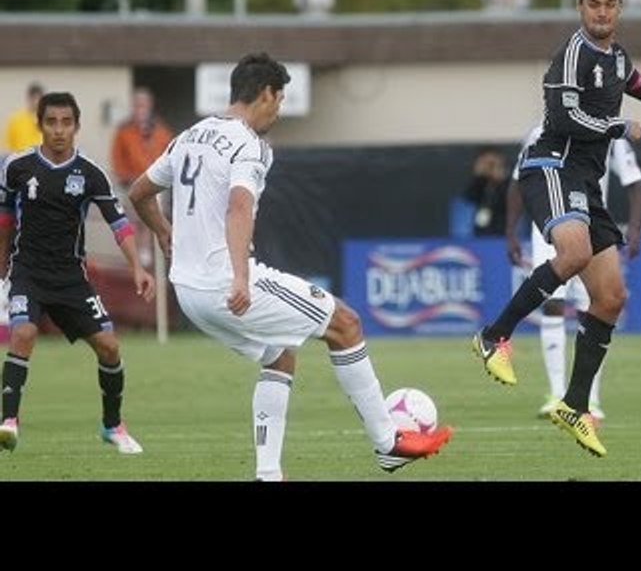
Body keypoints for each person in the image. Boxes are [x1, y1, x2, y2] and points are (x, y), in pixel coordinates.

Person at [126, 52, 452, 480]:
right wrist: (241, 276)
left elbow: (138, 192)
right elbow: (239, 208)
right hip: (226, 283)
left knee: (280, 356)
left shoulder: (189, 135)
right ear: (265, 93)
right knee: (346, 324)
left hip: (188, 292)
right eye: (279, 101)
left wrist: (166, 233)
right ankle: (387, 443)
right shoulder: (250, 145)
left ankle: (268, 474)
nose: (278, 111)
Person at [471, 0, 641, 457]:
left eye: (611, 4)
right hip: (551, 167)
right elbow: (565, 118)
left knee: (610, 298)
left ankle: (574, 405)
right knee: (571, 252)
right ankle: (493, 336)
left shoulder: (617, 58)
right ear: (579, 6)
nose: (603, 12)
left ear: (620, 8)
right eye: (594, 4)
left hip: (586, 186)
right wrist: (617, 126)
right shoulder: (571, 56)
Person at [0, 92, 155, 453]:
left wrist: (138, 269)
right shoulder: (17, 167)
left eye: (66, 122)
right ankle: (9, 421)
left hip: (71, 278)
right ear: (40, 125)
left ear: (76, 126)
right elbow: (5, 221)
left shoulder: (90, 173)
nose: (58, 130)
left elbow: (120, 225)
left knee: (110, 347)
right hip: (29, 273)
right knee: (22, 332)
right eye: (51, 122)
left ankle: (112, 425)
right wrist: (3, 268)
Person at [505, 122, 641, 421]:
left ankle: (589, 398)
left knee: (592, 308)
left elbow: (635, 181)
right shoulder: (539, 132)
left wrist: (635, 227)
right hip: (548, 225)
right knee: (553, 306)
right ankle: (556, 393)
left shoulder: (612, 131)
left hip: (591, 226)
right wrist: (510, 231)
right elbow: (519, 180)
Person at [110, 87, 174, 267]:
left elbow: (170, 153)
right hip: (131, 182)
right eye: (137, 105)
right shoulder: (124, 130)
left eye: (143, 105)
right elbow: (117, 157)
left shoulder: (160, 129)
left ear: (150, 106)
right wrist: (123, 176)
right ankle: (136, 255)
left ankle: (153, 256)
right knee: (131, 219)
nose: (140, 109)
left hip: (155, 183)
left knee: (155, 218)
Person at [462, 148, 509, 236]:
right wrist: (478, 176)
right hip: (481, 230)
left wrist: (500, 179)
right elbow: (469, 197)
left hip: (501, 229)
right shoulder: (480, 183)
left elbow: (507, 200)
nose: (490, 168)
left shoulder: (507, 184)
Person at [4, 82, 44, 153]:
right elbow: (9, 146)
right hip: (19, 160)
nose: (36, 102)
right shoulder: (16, 120)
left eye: (39, 99)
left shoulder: (46, 121)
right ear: (28, 98)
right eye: (33, 98)